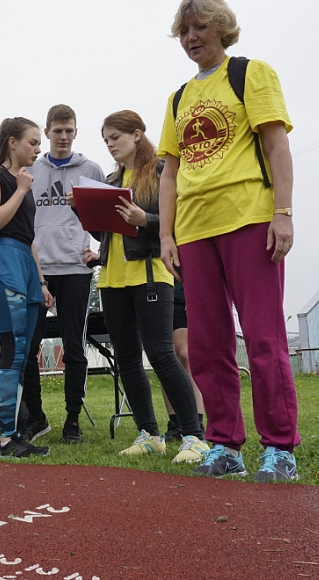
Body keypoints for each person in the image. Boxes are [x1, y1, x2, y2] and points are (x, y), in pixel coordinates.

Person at [158, 0, 300, 482]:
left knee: (263, 337)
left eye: (199, 27)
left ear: (221, 26)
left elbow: (276, 145)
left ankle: (280, 447)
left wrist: (282, 213)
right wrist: (166, 235)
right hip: (194, 231)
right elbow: (170, 173)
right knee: (207, 344)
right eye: (183, 31)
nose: (191, 37)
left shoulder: (250, 74)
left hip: (248, 219)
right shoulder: (178, 99)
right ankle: (224, 445)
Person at [91, 110, 207, 463]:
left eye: (116, 137)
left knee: (160, 354)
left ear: (137, 134)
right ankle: (149, 435)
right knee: (126, 358)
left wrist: (147, 220)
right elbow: (105, 232)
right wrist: (86, 213)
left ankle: (195, 436)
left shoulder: (159, 171)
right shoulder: (112, 180)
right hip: (112, 276)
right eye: (106, 139)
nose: (110, 145)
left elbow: (178, 224)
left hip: (150, 272)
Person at [23, 104, 106, 445]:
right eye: (57, 130)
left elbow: (105, 225)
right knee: (29, 347)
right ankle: (36, 417)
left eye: (69, 130)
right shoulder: (29, 170)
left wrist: (96, 250)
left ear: (76, 132)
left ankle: (73, 420)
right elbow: (20, 219)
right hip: (38, 268)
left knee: (74, 346)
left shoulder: (92, 170)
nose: (63, 136)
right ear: (46, 133)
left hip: (75, 268)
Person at [0, 117, 53, 458]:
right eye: (33, 142)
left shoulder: (25, 182)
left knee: (24, 353)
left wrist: (40, 281)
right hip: (5, 259)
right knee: (13, 350)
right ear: (12, 142)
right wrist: (21, 189)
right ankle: (7, 439)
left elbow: (30, 237)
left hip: (24, 260)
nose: (38, 149)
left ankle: (16, 433)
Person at [160, 278, 206, 441]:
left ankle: (196, 421)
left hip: (184, 290)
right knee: (166, 356)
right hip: (159, 290)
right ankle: (175, 424)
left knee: (186, 354)